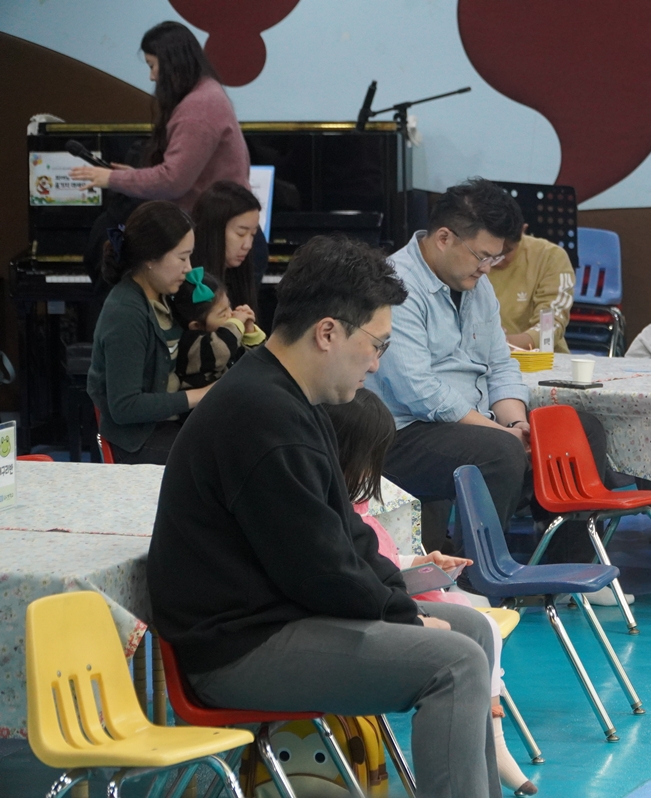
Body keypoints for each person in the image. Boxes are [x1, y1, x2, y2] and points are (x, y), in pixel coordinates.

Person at [148, 234, 502, 798]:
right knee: (455, 662)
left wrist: (400, 604)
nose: (377, 364)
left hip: (278, 618)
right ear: (328, 332)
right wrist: (404, 617)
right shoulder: (262, 416)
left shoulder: (290, 399)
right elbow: (320, 570)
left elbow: (349, 537)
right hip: (237, 649)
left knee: (472, 630)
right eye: (377, 345)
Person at [365, 178, 621, 595]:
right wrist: (500, 434)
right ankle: (476, 581)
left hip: (473, 425)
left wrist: (518, 424)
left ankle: (563, 574)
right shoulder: (395, 285)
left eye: (494, 258)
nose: (487, 269)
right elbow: (419, 391)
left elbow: (501, 364)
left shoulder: (476, 285)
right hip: (404, 433)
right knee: (498, 451)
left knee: (578, 428)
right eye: (482, 256)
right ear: (444, 238)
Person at [325, 388, 537, 797]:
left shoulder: (358, 508)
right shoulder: (329, 508)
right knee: (461, 651)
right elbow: (354, 579)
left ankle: (493, 737)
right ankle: (491, 734)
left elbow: (380, 562)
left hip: (391, 599)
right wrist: (411, 614)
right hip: (364, 615)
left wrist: (422, 563)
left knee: (478, 626)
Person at [69, 21, 250, 213]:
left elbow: (172, 181)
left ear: (172, 64)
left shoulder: (198, 108)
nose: (152, 77)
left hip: (216, 222)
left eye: (152, 66)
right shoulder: (207, 93)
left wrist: (111, 179)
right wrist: (135, 178)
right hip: (222, 216)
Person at [88, 201, 210, 464]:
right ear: (151, 258)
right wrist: (201, 395)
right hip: (137, 439)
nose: (189, 268)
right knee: (221, 458)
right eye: (182, 258)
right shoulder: (126, 313)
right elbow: (125, 407)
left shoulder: (165, 293)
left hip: (166, 424)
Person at [487, 224, 575, 353]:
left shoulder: (550, 256)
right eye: (488, 254)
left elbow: (549, 328)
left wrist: (501, 344)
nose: (496, 261)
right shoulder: (466, 257)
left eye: (506, 251)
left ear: (522, 231)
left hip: (543, 358)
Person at [171, 267, 263, 389]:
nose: (231, 314)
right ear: (197, 326)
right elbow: (222, 349)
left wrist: (250, 333)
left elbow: (258, 362)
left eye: (229, 306)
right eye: (222, 314)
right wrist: (237, 323)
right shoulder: (190, 343)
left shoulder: (229, 336)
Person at [191, 180, 264, 312]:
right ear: (214, 231)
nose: (248, 245)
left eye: (253, 234)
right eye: (241, 233)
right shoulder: (193, 283)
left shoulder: (239, 278)